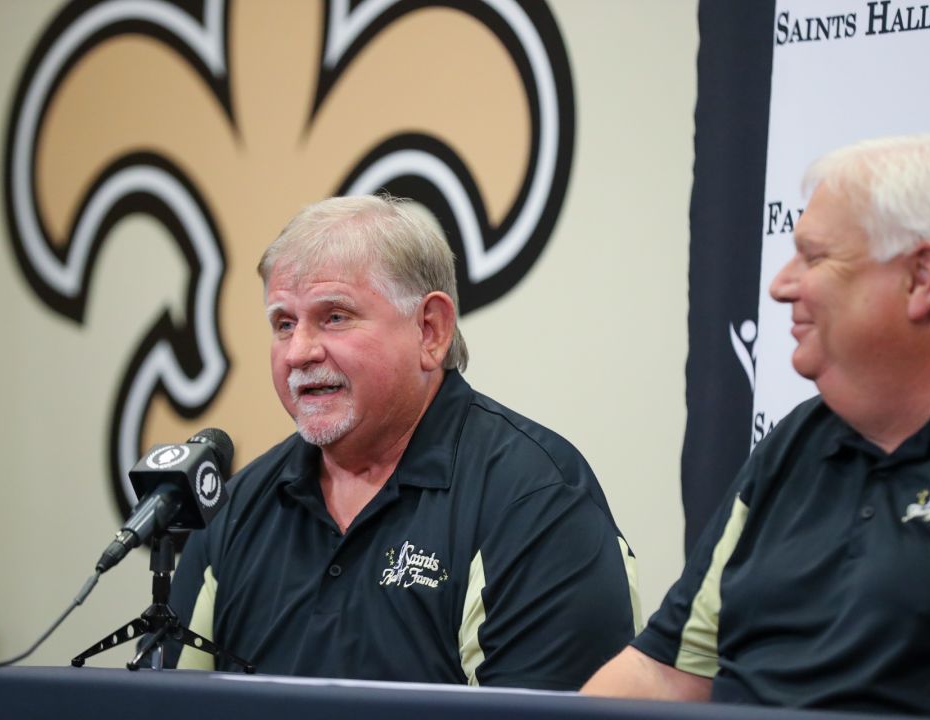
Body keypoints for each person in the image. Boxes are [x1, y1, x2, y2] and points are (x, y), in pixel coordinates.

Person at [164, 195, 640, 689]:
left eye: (335, 317)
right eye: (284, 323)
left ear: (429, 331)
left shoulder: (536, 500)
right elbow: (164, 708)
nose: (299, 352)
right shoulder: (237, 509)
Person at [583, 134, 930, 715]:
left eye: (816, 257)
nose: (781, 285)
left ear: (922, 277)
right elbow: (664, 675)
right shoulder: (795, 444)